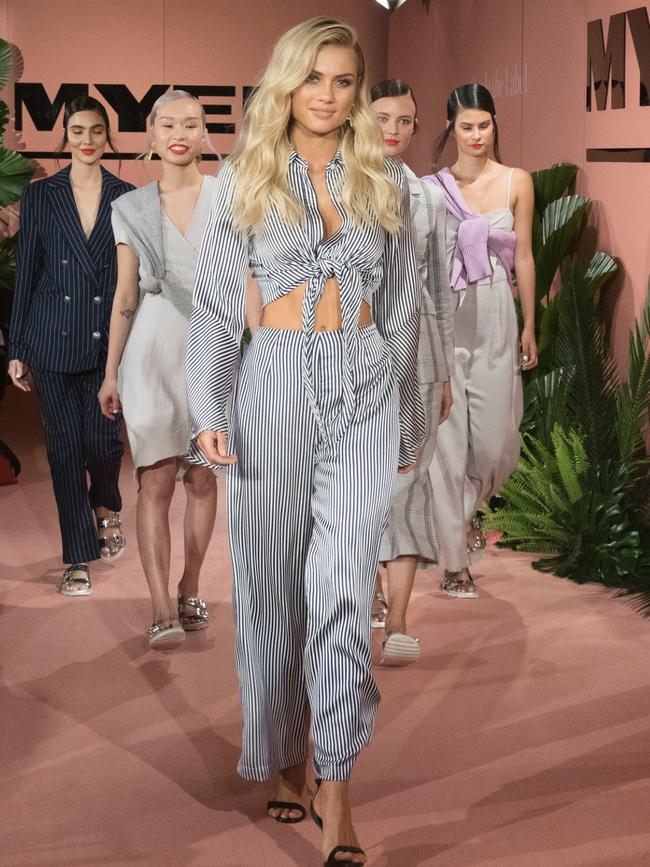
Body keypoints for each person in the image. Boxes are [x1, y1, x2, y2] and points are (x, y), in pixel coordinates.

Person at [186, 18, 423, 866]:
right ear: (287, 82)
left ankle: (337, 782)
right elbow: (216, 306)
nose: (328, 95)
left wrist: (406, 415)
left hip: (360, 383)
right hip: (274, 386)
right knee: (274, 585)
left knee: (339, 579)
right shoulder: (238, 180)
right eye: (315, 77)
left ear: (361, 90)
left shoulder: (387, 182)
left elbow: (400, 310)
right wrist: (208, 403)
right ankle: (283, 754)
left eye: (345, 80)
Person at [97, 91, 218, 650]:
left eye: (190, 123)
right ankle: (160, 606)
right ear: (150, 134)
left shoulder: (230, 196)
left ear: (203, 133)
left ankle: (191, 585)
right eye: (167, 123)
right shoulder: (133, 208)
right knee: (155, 477)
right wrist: (111, 371)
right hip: (152, 345)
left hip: (214, 345)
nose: (179, 132)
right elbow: (125, 292)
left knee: (201, 475)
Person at [8, 96, 132, 596]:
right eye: (77, 130)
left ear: (108, 138)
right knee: (62, 451)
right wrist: (17, 345)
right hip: (50, 339)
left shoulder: (127, 197)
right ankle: (77, 557)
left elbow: (132, 280)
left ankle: (106, 502)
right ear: (65, 137)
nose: (86, 140)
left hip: (106, 341)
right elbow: (28, 275)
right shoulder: (40, 197)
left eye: (96, 131)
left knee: (103, 445)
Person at [422, 83, 537, 598]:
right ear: (451, 129)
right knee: (447, 445)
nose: (476, 135)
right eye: (465, 126)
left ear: (495, 124)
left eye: (484, 125)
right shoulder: (430, 188)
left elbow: (526, 257)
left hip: (495, 313)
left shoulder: (518, 181)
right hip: (445, 317)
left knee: (495, 448)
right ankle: (454, 561)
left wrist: (530, 322)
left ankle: (461, 519)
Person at [370, 79, 454, 666]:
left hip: (416, 358)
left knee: (408, 483)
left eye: (405, 120)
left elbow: (442, 292)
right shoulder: (332, 186)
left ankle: (399, 619)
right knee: (356, 488)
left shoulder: (428, 199)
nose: (394, 129)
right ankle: (368, 593)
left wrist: (445, 371)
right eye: (383, 118)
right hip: (342, 355)